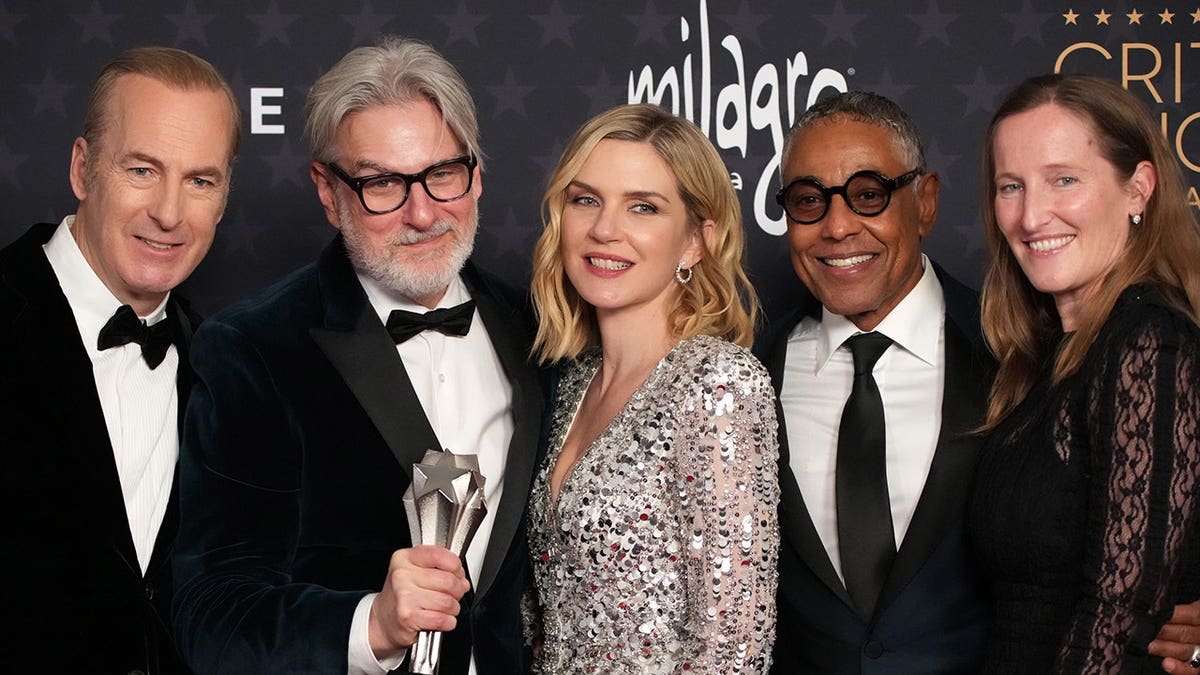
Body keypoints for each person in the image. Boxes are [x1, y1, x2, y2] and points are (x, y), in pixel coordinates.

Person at [170, 36, 543, 675]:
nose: (422, 213)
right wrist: (371, 624)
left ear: (477, 173)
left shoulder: (538, 330)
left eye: (442, 174)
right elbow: (212, 617)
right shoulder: (253, 349)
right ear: (327, 190)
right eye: (381, 184)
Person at [0, 46, 240, 674]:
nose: (168, 212)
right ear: (83, 170)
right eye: (141, 170)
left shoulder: (226, 368)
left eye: (200, 181)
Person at [524, 103, 780, 672]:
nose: (605, 229)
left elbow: (732, 649)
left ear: (695, 241)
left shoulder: (719, 385)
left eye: (643, 207)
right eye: (585, 199)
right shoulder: (571, 384)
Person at [968, 73, 1200, 673]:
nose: (1031, 215)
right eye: (1010, 186)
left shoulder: (1148, 344)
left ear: (1138, 189)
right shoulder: (1041, 357)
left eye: (1063, 180)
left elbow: (1119, 613)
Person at [759, 91, 992, 674]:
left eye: (868, 195)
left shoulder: (1016, 352)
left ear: (926, 202)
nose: (837, 227)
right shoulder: (748, 374)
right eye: (808, 201)